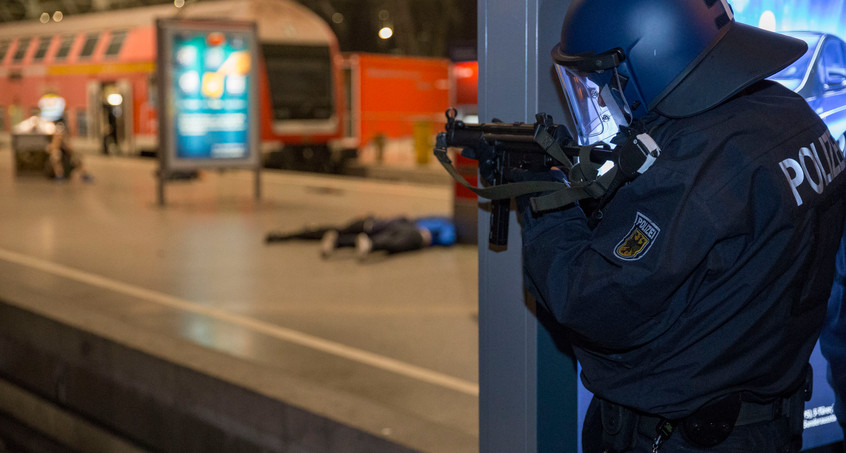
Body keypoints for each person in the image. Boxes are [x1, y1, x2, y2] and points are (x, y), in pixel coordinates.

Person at [515, 1, 846, 451]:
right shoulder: (789, 113)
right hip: (768, 419)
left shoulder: (691, 166)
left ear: (642, 63)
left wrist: (544, 203)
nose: (600, 95)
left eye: (600, 80)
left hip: (684, 436)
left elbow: (592, 300)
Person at [265, 215, 456, 260]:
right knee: (391, 238)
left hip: (384, 226)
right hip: (392, 227)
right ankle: (368, 244)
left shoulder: (442, 224)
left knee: (347, 231)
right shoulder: (443, 222)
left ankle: (340, 241)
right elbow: (447, 240)